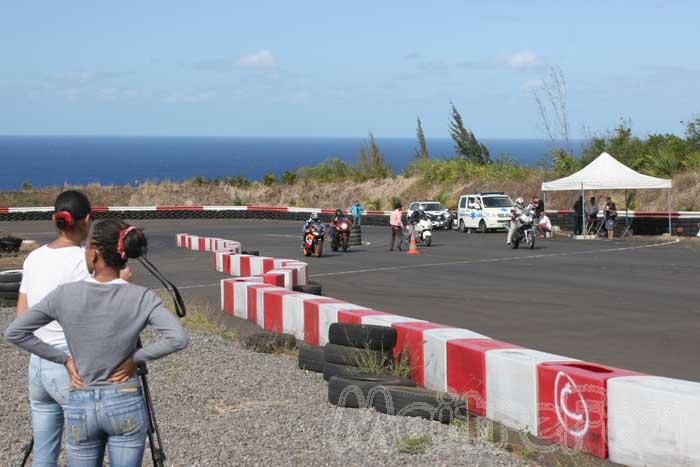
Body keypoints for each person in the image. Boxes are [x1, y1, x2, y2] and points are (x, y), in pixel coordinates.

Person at [5, 219, 188, 467]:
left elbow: (16, 332)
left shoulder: (65, 294)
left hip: (82, 401)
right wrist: (136, 359)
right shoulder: (142, 297)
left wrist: (65, 360)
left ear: (93, 254)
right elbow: (177, 338)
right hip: (125, 399)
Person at [15, 190, 128, 466]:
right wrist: (120, 280)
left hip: (38, 364)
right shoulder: (83, 260)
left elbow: (22, 314)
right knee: (85, 448)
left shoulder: (34, 258)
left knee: (44, 452)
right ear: (87, 220)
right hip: (70, 364)